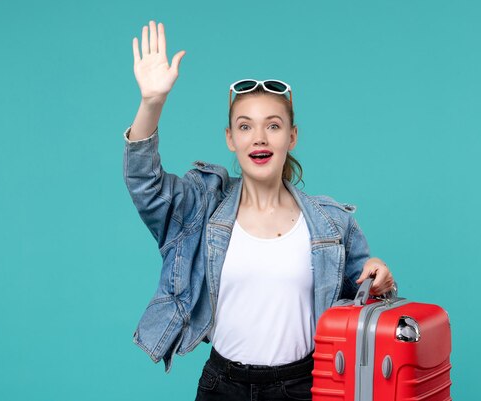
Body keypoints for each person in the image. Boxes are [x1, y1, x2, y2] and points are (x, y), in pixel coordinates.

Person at [123, 20, 395, 401]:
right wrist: (152, 102)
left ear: (291, 136)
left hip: (302, 386)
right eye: (246, 126)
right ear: (230, 139)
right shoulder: (203, 205)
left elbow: (365, 302)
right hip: (222, 386)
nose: (260, 137)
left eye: (273, 125)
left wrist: (380, 279)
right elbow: (145, 185)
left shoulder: (332, 223)